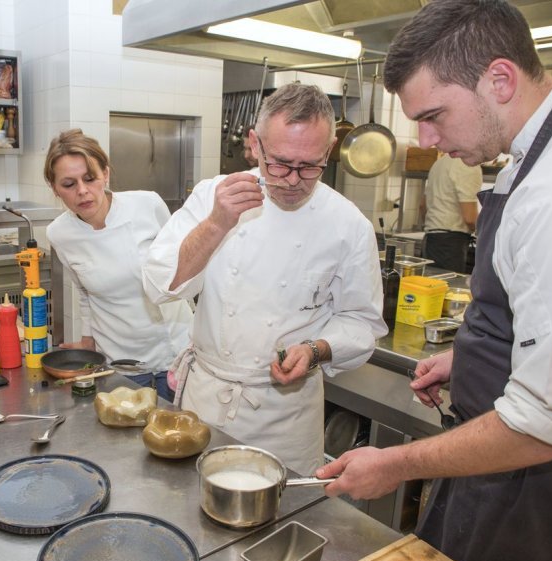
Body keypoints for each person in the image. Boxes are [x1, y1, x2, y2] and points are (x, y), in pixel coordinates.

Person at [316, 2, 552, 561]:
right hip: (496, 456)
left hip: (526, 480)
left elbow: (544, 422)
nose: (426, 138)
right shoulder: (532, 155)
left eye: (433, 115)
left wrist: (396, 463)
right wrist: (475, 354)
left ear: (499, 79)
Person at [142, 83, 387, 475]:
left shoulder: (348, 226)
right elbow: (159, 285)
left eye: (310, 167)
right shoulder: (213, 197)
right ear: (255, 145)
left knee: (281, 523)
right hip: (205, 404)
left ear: (328, 153)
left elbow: (362, 323)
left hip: (286, 418)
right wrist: (217, 224)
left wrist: (316, 349)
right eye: (280, 164)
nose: (293, 180)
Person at [44, 129, 193, 402]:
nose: (82, 191)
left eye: (90, 178)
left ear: (106, 174)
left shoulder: (147, 205)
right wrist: (88, 339)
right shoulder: (59, 233)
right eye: (68, 184)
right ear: (54, 188)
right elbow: (84, 291)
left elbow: (183, 266)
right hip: (123, 363)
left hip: (175, 350)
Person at [419, 153, 482, 273]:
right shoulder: (468, 164)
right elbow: (470, 218)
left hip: (430, 239)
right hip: (450, 243)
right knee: (448, 287)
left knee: (431, 286)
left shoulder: (440, 162)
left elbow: (422, 206)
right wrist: (485, 235)